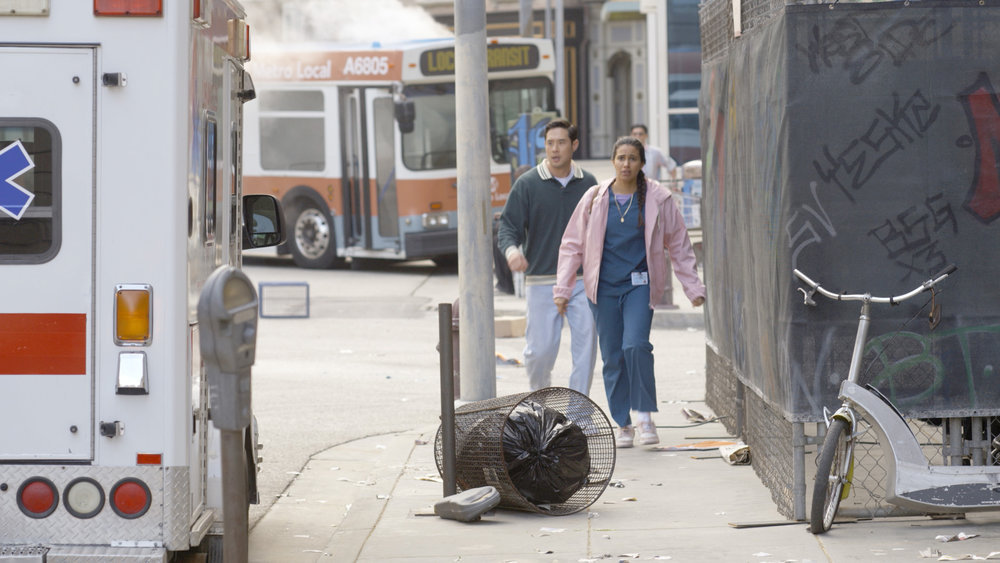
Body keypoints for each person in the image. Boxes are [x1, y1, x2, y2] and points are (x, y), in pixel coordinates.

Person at [553, 136, 705, 448]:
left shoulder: (658, 198)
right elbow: (572, 245)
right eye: (621, 158)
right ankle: (622, 423)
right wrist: (563, 288)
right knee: (612, 356)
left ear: (641, 164)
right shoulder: (595, 198)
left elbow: (678, 243)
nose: (626, 164)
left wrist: (693, 287)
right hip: (603, 289)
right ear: (613, 161)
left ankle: (645, 415)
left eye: (632, 159)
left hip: (639, 287)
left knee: (635, 346)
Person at [497, 119, 598, 395]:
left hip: (581, 281)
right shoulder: (527, 184)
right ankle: (539, 404)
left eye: (561, 142)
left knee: (586, 350)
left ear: (574, 145)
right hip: (542, 279)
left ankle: (579, 415)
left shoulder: (588, 183)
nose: (554, 149)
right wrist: (512, 251)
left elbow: (599, 229)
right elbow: (508, 227)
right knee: (539, 352)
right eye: (550, 143)